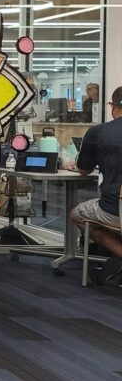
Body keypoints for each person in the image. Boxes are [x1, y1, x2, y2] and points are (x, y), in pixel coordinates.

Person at [71, 85, 122, 284]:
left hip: (114, 210)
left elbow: (83, 169)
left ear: (111, 106)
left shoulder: (99, 132)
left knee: (77, 214)